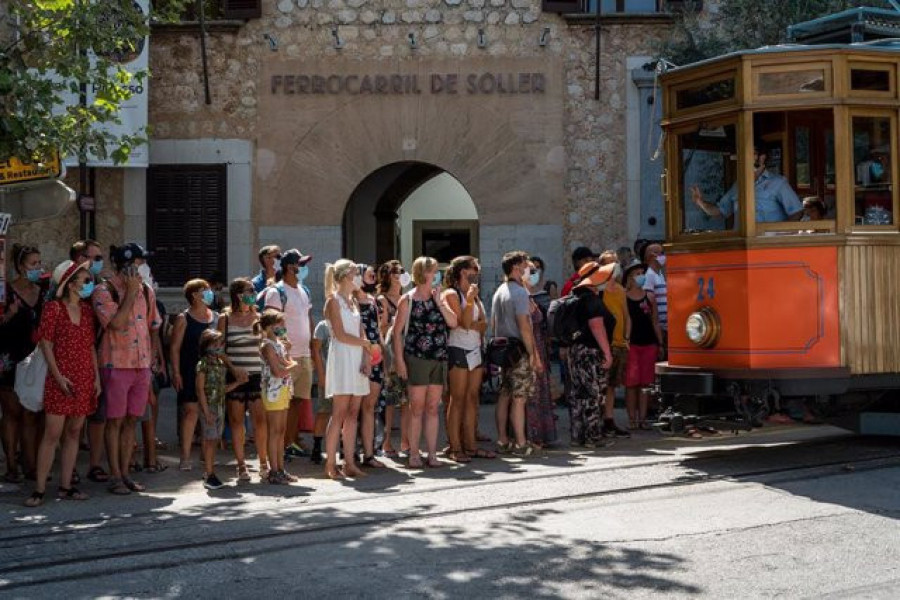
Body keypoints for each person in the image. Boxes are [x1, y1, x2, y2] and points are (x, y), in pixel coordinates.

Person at [24, 261, 100, 507]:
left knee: (74, 432)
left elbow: (90, 346)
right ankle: (39, 489)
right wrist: (58, 377)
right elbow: (46, 343)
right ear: (71, 283)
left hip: (84, 376)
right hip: (61, 377)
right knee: (52, 434)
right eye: (86, 280)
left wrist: (96, 377)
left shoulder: (88, 312)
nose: (90, 284)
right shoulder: (53, 309)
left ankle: (66, 485)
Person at [92, 243, 161, 495]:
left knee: (132, 420)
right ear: (128, 266)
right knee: (115, 421)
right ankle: (115, 476)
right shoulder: (104, 291)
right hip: (116, 364)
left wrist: (153, 359)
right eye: (140, 263)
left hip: (141, 365)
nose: (143, 268)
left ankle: (126, 472)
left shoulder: (147, 290)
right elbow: (117, 324)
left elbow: (154, 325)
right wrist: (130, 294)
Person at [393, 256, 457, 469]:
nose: (436, 274)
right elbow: (396, 334)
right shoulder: (408, 300)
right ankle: (413, 453)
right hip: (416, 358)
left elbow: (453, 322)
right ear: (422, 273)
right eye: (432, 270)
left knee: (432, 407)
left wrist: (439, 302)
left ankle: (431, 454)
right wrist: (400, 362)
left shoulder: (439, 297)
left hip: (438, 357)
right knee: (417, 407)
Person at [323, 260, 375, 479]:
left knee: (354, 413)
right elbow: (341, 334)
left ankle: (350, 462)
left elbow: (362, 333)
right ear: (345, 276)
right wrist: (365, 346)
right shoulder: (333, 301)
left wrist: (366, 357)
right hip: (343, 358)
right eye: (355, 273)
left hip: (356, 357)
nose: (358, 277)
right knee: (339, 413)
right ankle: (331, 463)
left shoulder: (353, 301)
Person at [262, 248, 314, 461]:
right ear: (289, 267)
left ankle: (290, 442)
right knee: (281, 404)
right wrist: (282, 348)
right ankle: (278, 447)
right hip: (285, 357)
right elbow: (270, 322)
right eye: (300, 264)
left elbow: (308, 318)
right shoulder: (276, 292)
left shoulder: (304, 290)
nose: (303, 268)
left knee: (297, 402)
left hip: (304, 354)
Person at [0, 243, 45, 483]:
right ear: (19, 266)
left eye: (39, 263)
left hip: (34, 359)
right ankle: (11, 465)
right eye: (33, 264)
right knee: (11, 412)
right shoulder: (5, 291)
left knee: (31, 413)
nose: (37, 268)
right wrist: (9, 315)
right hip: (8, 358)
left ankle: (31, 464)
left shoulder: (42, 292)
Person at [490, 250, 542, 456]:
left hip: (503, 350)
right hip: (518, 349)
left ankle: (503, 439)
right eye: (524, 264)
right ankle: (521, 443)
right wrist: (533, 354)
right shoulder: (520, 293)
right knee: (519, 398)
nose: (528, 268)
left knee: (505, 395)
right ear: (515, 267)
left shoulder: (500, 290)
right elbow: (524, 326)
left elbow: (495, 323)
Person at [70, 240, 112, 482]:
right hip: (71, 359)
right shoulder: (62, 288)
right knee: (72, 419)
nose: (99, 262)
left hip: (98, 356)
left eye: (100, 257)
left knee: (98, 414)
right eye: (94, 258)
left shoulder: (100, 288)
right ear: (80, 258)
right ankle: (71, 466)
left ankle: (95, 464)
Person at [218, 278, 267, 482]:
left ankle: (264, 463)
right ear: (238, 294)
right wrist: (233, 368)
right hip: (235, 375)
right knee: (237, 422)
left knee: (260, 421)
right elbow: (219, 348)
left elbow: (265, 344)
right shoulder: (225, 319)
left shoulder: (259, 316)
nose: (253, 293)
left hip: (257, 375)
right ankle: (241, 465)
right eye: (249, 290)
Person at [443, 256, 491, 463]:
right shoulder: (452, 294)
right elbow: (462, 322)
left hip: (475, 350)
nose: (477, 273)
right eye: (474, 269)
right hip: (458, 349)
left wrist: (473, 319)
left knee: (473, 398)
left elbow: (483, 324)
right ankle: (455, 447)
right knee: (457, 399)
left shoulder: (474, 295)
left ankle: (471, 445)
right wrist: (469, 301)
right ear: (463, 271)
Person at [170, 278, 219, 471]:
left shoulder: (215, 317)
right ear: (194, 295)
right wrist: (176, 372)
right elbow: (174, 348)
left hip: (211, 372)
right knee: (190, 412)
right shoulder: (184, 318)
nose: (209, 293)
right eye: (204, 290)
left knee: (209, 413)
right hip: (189, 370)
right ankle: (185, 456)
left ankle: (205, 455)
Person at [690, 143, 803, 225]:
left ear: (762, 157)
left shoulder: (778, 183)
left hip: (769, 250)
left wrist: (779, 237)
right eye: (745, 154)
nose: (747, 158)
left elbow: (797, 212)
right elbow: (720, 211)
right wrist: (700, 202)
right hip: (743, 250)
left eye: (752, 153)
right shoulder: (738, 185)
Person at [567, 262, 616, 448]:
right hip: (590, 352)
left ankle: (578, 436)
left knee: (579, 394)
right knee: (593, 395)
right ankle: (593, 437)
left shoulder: (576, 295)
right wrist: (607, 353)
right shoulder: (592, 299)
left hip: (576, 351)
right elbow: (597, 326)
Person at [196, 329, 240, 490]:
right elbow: (200, 389)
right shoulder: (203, 364)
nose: (219, 346)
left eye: (220, 343)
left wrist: (237, 383)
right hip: (209, 406)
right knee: (209, 440)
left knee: (214, 440)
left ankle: (209, 471)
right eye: (215, 343)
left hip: (220, 405)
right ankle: (209, 473)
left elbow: (222, 388)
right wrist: (206, 411)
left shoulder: (220, 364)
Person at [624, 261, 664, 430]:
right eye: (637, 273)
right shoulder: (624, 297)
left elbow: (655, 321)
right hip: (631, 344)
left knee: (645, 384)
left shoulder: (650, 297)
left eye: (642, 272)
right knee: (631, 383)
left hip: (649, 343)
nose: (641, 276)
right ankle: (632, 419)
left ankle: (643, 419)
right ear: (630, 278)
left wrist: (660, 342)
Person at [522, 259, 558, 449]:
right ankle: (531, 435)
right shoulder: (521, 295)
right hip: (531, 346)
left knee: (542, 391)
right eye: (530, 270)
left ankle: (543, 434)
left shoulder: (545, 292)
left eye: (536, 270)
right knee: (531, 393)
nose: (533, 273)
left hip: (543, 344)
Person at [376, 260, 410, 457]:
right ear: (388, 276)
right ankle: (387, 442)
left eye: (402, 272)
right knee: (391, 399)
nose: (400, 275)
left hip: (409, 349)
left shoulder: (407, 297)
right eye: (395, 272)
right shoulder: (382, 300)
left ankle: (406, 441)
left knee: (407, 400)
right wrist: (397, 325)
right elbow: (381, 328)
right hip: (390, 351)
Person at [259, 309, 296, 484]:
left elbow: (286, 363)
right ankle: (273, 470)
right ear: (267, 327)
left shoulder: (279, 344)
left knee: (281, 431)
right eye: (278, 325)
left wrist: (288, 352)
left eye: (282, 324)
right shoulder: (267, 345)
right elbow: (278, 371)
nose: (282, 328)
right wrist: (293, 366)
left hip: (283, 390)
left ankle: (280, 468)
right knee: (274, 432)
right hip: (272, 391)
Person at [355, 263, 386, 468]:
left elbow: (378, 330)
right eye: (368, 273)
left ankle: (368, 453)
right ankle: (349, 451)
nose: (373, 275)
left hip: (375, 356)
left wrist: (383, 353)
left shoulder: (373, 301)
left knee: (369, 406)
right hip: (357, 356)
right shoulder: (350, 301)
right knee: (353, 408)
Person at [597, 251, 631, 438]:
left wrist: (626, 337)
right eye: (610, 263)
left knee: (612, 385)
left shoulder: (620, 289)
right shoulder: (598, 289)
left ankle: (609, 420)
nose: (614, 267)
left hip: (619, 344)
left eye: (616, 263)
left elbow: (626, 315)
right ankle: (598, 420)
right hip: (604, 344)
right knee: (600, 385)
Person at [310, 317, 331, 465]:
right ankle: (316, 447)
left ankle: (344, 449)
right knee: (324, 411)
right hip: (327, 376)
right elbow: (316, 351)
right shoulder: (322, 326)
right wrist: (321, 375)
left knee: (346, 413)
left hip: (345, 377)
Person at [641, 242, 668, 357]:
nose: (664, 256)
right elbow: (650, 301)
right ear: (652, 256)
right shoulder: (650, 276)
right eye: (661, 253)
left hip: (665, 327)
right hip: (659, 328)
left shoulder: (660, 274)